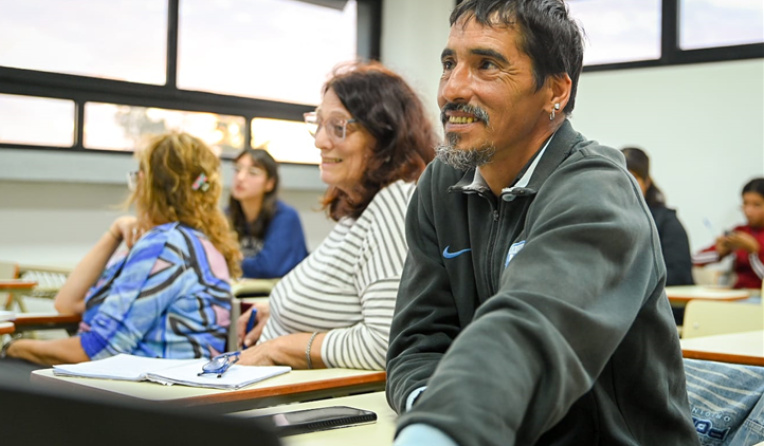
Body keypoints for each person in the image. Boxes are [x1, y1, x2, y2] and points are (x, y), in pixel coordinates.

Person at [385, 1, 699, 445]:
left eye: (486, 65)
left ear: (556, 91)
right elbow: (419, 339)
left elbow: (531, 329)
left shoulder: (598, 191)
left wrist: (445, 429)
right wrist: (429, 405)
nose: (451, 90)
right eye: (449, 63)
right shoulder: (443, 184)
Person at [234, 61, 437, 370]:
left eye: (338, 126)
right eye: (319, 123)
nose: (320, 140)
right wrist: (274, 311)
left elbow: (386, 343)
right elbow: (342, 301)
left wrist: (280, 348)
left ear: (384, 136)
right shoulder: (361, 207)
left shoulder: (394, 203)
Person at [3, 132, 242, 366]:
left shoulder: (165, 245)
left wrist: (13, 347)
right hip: (152, 387)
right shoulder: (194, 241)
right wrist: (115, 232)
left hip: (137, 391)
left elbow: (98, 351)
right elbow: (67, 303)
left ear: (147, 185)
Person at [228, 148, 308, 278]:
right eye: (237, 169)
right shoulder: (227, 215)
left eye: (253, 172)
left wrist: (232, 261)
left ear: (270, 183)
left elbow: (269, 268)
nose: (240, 177)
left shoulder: (285, 217)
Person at [622, 147, 694, 286]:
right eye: (620, 177)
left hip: (658, 304)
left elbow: (679, 275)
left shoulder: (667, 222)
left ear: (647, 182)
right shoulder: (604, 219)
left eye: (633, 178)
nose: (626, 184)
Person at [693, 177, 764, 290]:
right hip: (737, 295)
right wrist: (719, 252)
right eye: (745, 204)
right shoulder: (740, 231)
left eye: (757, 205)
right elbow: (693, 260)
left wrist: (753, 252)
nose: (748, 211)